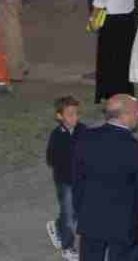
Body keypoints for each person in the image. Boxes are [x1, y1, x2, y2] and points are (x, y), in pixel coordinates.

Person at [72, 94, 138, 261]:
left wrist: (81, 211)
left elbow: (77, 181)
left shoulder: (85, 138)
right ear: (124, 115)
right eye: (136, 111)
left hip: (91, 218)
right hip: (124, 224)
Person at [45, 95, 85, 261]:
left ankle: (56, 226)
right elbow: (50, 159)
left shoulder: (83, 130)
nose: (75, 117)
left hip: (81, 180)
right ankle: (68, 248)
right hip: (65, 182)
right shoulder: (57, 135)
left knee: (75, 212)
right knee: (69, 216)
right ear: (59, 116)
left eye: (76, 113)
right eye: (70, 114)